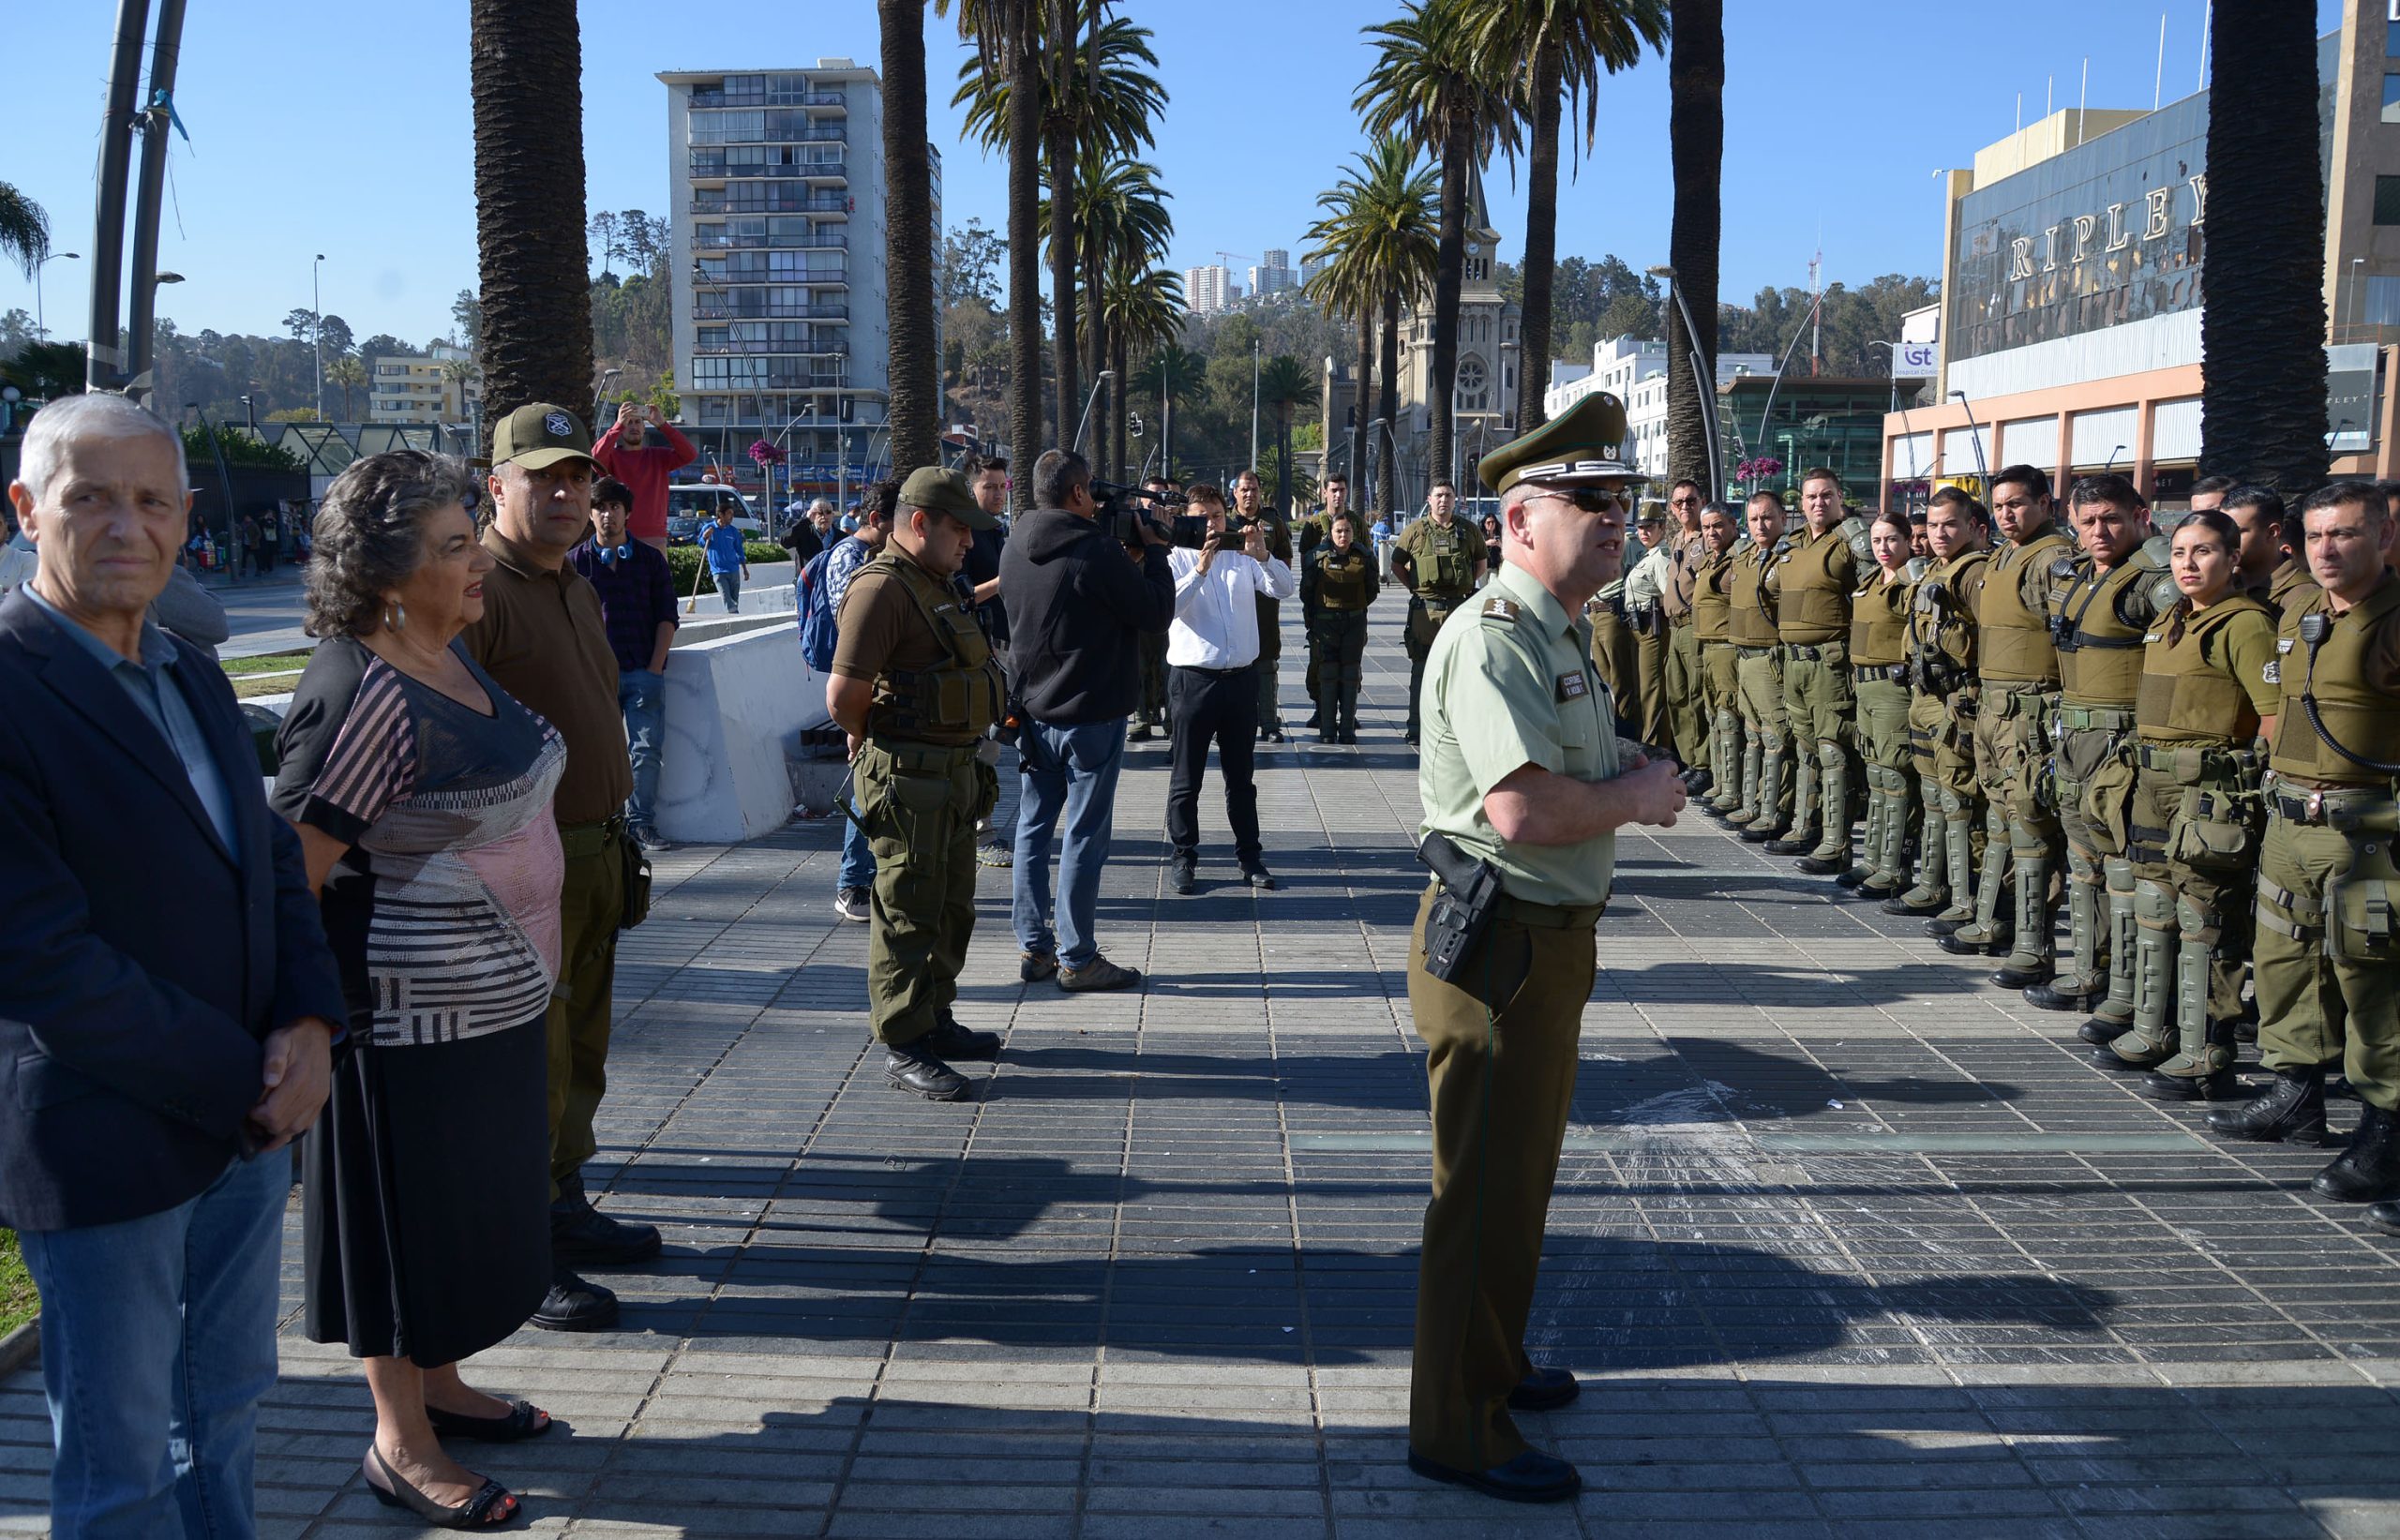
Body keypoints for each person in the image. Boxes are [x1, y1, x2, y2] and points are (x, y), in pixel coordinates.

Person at [0, 393, 346, 1540]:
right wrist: (249, 1075)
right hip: (105, 1139)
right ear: (26, 509)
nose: (125, 526)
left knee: (224, 1410)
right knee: (121, 1465)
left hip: (243, 1131)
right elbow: (39, 958)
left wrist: (311, 1022)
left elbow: (271, 864)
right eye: (89, 497)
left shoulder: (190, 670)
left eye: (152, 501)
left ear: (187, 517)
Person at [1404, 394, 1687, 1503]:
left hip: (1543, 944)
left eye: (1621, 499)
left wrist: (1621, 772)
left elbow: (1561, 769)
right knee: (1481, 1194)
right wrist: (1637, 797)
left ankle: (1495, 1358)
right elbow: (1519, 810)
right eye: (1588, 500)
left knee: (1516, 1184)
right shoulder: (1495, 635)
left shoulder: (1560, 628)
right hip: (1501, 946)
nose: (1616, 517)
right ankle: (1456, 1426)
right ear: (1519, 520)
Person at [273, 450, 563, 1527]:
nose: (478, 557)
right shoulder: (362, 693)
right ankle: (400, 1440)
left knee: (459, 1220)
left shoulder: (443, 652)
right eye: (451, 546)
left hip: (485, 1016)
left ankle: (441, 1384)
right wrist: (306, 1025)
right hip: (396, 1031)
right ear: (385, 573)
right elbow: (291, 877)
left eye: (469, 535)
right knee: (401, 1233)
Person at [461, 403, 661, 1334]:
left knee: (580, 1046)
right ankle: (519, 1243)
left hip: (596, 847)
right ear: (496, 485)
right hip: (523, 861)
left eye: (577, 476)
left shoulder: (574, 583)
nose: (566, 492)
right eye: (542, 476)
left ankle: (563, 1201)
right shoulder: (479, 589)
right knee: (528, 1062)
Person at [2210, 482, 2400, 1225]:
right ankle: (2295, 1093)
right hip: (2292, 822)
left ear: (2383, 537)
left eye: (2345, 534)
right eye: (2318, 535)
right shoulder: (2300, 614)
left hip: (2368, 832)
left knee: (2373, 979)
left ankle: (2385, 1127)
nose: (2328, 549)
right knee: (2286, 956)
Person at [827, 468, 1010, 1101]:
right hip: (908, 782)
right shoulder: (881, 588)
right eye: (959, 528)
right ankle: (904, 1041)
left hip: (953, 777)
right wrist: (871, 738)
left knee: (952, 907)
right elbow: (843, 696)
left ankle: (934, 1016)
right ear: (921, 523)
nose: (969, 542)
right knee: (906, 910)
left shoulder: (935, 583)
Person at [2113, 509, 2278, 1100]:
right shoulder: (2171, 618)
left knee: (2204, 916)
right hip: (2152, 784)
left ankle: (2206, 1050)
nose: (2187, 563)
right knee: (2154, 907)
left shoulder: (2246, 624)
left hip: (2208, 793)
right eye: (2180, 551)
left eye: (2203, 551)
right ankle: (2154, 1031)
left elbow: (2272, 715)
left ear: (2233, 559)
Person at [1001, 449, 1176, 989]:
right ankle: (1077, 958)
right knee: (1083, 835)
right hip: (1091, 716)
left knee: (1032, 829)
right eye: (1091, 491)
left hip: (1033, 712)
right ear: (1078, 493)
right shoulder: (1096, 550)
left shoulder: (1015, 541)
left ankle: (1034, 949)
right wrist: (1156, 552)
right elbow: (1153, 613)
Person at [2033, 475, 2178, 1034]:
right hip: (2072, 739)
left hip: (2121, 746)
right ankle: (2090, 973)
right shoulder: (2080, 575)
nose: (2099, 531)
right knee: (2084, 863)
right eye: (2088, 520)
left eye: (2111, 518)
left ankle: (2126, 991)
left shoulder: (2151, 582)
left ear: (2140, 516)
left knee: (2122, 869)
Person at [1942, 465, 2071, 971]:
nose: (2006, 514)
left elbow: (2068, 638)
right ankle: (1996, 920)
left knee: (2032, 826)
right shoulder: (2003, 557)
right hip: (1994, 709)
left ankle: (2033, 944)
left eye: (2016, 503)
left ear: (2044, 504)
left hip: (2030, 712)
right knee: (2001, 820)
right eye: (1998, 506)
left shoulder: (2053, 558)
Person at [1164, 483, 1298, 892]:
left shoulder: (1242, 553)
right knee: (1186, 778)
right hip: (1194, 681)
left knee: (1241, 778)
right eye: (1202, 517)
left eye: (1217, 516)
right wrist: (1200, 569)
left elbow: (1283, 588)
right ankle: (1184, 856)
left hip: (1241, 679)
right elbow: (1169, 607)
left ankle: (1250, 857)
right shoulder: (1175, 556)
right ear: (1187, 519)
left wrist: (1264, 556)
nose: (1211, 524)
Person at [1894, 488, 1992, 927]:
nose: (1939, 533)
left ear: (1971, 526)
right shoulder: (1935, 568)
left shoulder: (1974, 572)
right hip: (1925, 695)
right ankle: (1935, 884)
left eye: (1950, 524)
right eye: (1933, 525)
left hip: (1957, 701)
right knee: (1934, 795)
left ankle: (1968, 897)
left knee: (1961, 800)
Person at [569, 476, 681, 852]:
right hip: (595, 677)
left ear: (627, 513)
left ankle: (641, 823)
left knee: (646, 751)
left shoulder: (650, 560)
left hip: (642, 672)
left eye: (614, 507)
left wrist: (654, 668)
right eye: (599, 507)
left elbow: (667, 616)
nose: (607, 515)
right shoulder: (574, 564)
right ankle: (609, 825)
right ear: (589, 514)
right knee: (602, 753)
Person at [1773, 469, 1868, 873]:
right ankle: (1805, 827)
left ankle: (1836, 844)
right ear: (1801, 502)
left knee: (1833, 752)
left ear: (1839, 498)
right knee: (1807, 748)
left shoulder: (1851, 542)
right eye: (1811, 496)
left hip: (1831, 664)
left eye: (1826, 495)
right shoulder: (1793, 545)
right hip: (1794, 662)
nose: (1818, 503)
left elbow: (1874, 594)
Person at [827, 483, 899, 922]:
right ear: (875, 520)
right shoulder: (849, 559)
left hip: (873, 687)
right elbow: (854, 636)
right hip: (861, 687)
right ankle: (851, 882)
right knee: (864, 788)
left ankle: (867, 877)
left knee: (873, 786)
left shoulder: (875, 557)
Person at [1846, 509, 1920, 899]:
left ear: (1908, 540)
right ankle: (1873, 859)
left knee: (1896, 776)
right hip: (1866, 687)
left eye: (1891, 539)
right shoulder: (1872, 580)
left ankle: (1895, 867)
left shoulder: (1912, 581)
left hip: (1894, 688)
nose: (1883, 547)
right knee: (1876, 774)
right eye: (1876, 540)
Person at [1392, 482, 1488, 745]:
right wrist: (1415, 587)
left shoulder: (1469, 530)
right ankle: (1416, 728)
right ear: (1429, 499)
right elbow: (1397, 564)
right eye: (1439, 495)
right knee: (1421, 670)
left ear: (1455, 499)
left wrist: (1464, 585)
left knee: (1458, 672)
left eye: (1448, 495)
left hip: (1458, 609)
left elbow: (1481, 564)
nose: (1443, 500)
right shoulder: (1415, 531)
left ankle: (1455, 729)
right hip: (1425, 611)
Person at [1726, 491, 1794, 841]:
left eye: (1767, 517)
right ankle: (1753, 804)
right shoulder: (1745, 557)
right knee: (1752, 734)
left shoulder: (1788, 558)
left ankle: (1775, 811)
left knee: (1775, 736)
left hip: (1769, 659)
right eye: (1754, 519)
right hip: (1743, 657)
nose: (1760, 525)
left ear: (1783, 518)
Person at [961, 455, 1014, 869]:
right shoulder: (962, 534)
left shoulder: (997, 531)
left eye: (1002, 486)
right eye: (989, 487)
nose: (998, 494)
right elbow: (959, 595)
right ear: (971, 489)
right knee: (981, 746)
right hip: (974, 653)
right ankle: (981, 833)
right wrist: (1005, 580)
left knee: (991, 745)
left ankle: (981, 825)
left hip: (1000, 649)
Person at [1302, 509, 1378, 742]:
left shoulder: (1365, 557)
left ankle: (1347, 729)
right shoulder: (1317, 557)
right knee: (1327, 673)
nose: (1343, 535)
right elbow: (1307, 592)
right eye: (1338, 531)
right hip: (1325, 624)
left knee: (1350, 673)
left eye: (1347, 531)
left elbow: (1371, 590)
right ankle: (1326, 729)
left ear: (1353, 533)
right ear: (1331, 534)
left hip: (1354, 623)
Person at [1693, 501, 1748, 817]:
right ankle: (1720, 782)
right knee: (1714, 716)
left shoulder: (1738, 558)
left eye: (1717, 525)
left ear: (1732, 525)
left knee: (1729, 717)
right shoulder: (1711, 560)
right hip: (1708, 647)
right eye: (1706, 527)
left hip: (1727, 648)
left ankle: (1733, 791)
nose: (1711, 532)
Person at [1231, 469, 1295, 741]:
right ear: (1235, 493)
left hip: (1265, 603)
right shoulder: (1225, 521)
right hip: (1234, 601)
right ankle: (1235, 722)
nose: (1249, 494)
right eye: (1244, 489)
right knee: (1235, 664)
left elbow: (1285, 558)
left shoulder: (1272, 521)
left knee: (1266, 661)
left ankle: (1269, 723)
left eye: (1254, 489)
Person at [1658, 480, 1712, 795]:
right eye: (1679, 502)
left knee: (1696, 695)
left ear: (1702, 501)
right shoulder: (1678, 538)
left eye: (1691, 501)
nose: (1685, 507)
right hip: (1674, 628)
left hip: (1694, 625)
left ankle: (1703, 764)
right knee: (1677, 695)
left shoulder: (1707, 538)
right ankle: (1689, 759)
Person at [592, 400, 698, 553]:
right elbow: (595, 458)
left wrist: (663, 425)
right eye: (628, 422)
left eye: (638, 422)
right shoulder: (611, 458)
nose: (634, 427)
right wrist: (618, 425)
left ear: (644, 428)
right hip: (618, 536)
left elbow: (690, 454)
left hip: (654, 538)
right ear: (621, 427)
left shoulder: (659, 456)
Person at [1298, 471, 1357, 728]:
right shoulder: (1313, 525)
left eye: (1342, 490)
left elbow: (1366, 560)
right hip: (1321, 606)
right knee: (1320, 660)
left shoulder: (1356, 522)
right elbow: (1305, 563)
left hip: (1352, 607)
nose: (1338, 494)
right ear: (1324, 492)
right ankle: (1321, 708)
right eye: (1333, 490)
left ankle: (1348, 712)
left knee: (1351, 663)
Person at [1620, 506, 1675, 752]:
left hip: (1653, 628)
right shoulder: (1648, 555)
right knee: (1642, 691)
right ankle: (1646, 744)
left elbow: (1669, 597)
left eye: (1649, 527)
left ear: (1661, 528)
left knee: (1651, 692)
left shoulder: (1660, 557)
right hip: (1638, 628)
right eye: (1640, 527)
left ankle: (1655, 750)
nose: (1643, 532)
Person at [1129, 473, 1178, 742]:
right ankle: (1142, 719)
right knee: (1139, 665)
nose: (1154, 502)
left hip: (1168, 608)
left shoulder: (1175, 528)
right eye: (1149, 496)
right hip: (1138, 606)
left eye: (1160, 497)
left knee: (1168, 667)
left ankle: (1171, 722)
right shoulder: (1130, 525)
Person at [701, 502, 750, 613]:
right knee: (728, 602)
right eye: (729, 513)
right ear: (721, 514)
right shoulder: (709, 528)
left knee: (735, 602)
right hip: (719, 572)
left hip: (734, 571)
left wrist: (745, 569)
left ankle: (734, 619)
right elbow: (701, 543)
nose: (732, 516)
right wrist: (705, 537)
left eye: (732, 513)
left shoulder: (733, 531)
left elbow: (739, 550)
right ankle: (735, 617)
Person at [779, 496, 831, 566]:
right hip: (807, 572)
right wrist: (806, 520)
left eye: (828, 512)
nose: (824, 516)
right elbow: (784, 541)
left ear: (833, 514)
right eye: (820, 513)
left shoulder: (841, 537)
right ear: (812, 514)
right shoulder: (803, 533)